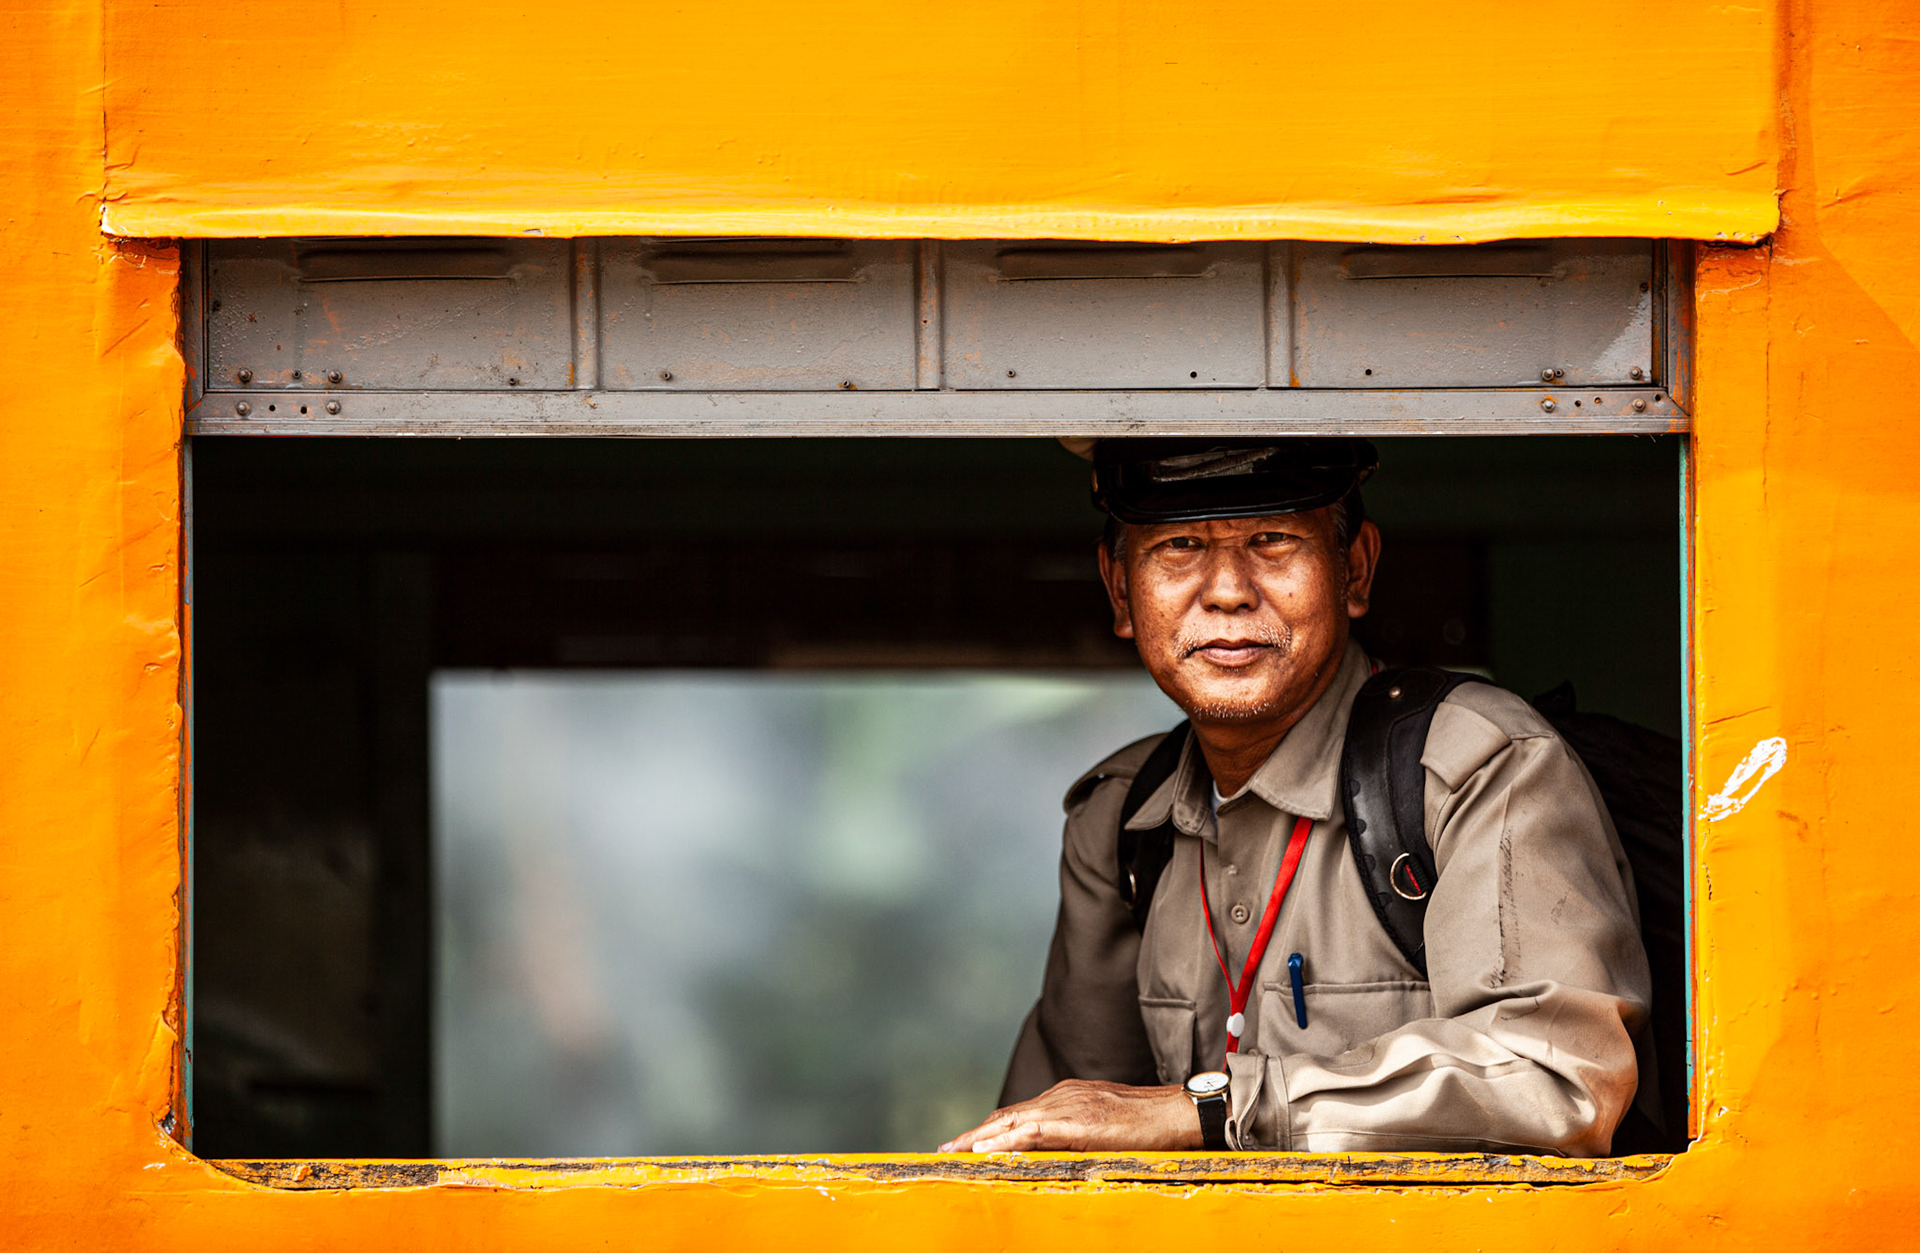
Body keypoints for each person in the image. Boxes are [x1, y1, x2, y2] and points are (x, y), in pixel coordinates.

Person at [939, 437, 1654, 1156]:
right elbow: (1057, 1129)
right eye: (1181, 545)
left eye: (1272, 540)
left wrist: (1215, 1110)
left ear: (1355, 568)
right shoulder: (1123, 818)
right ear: (1121, 591)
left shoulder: (1471, 765)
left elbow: (1558, 1079)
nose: (1227, 591)